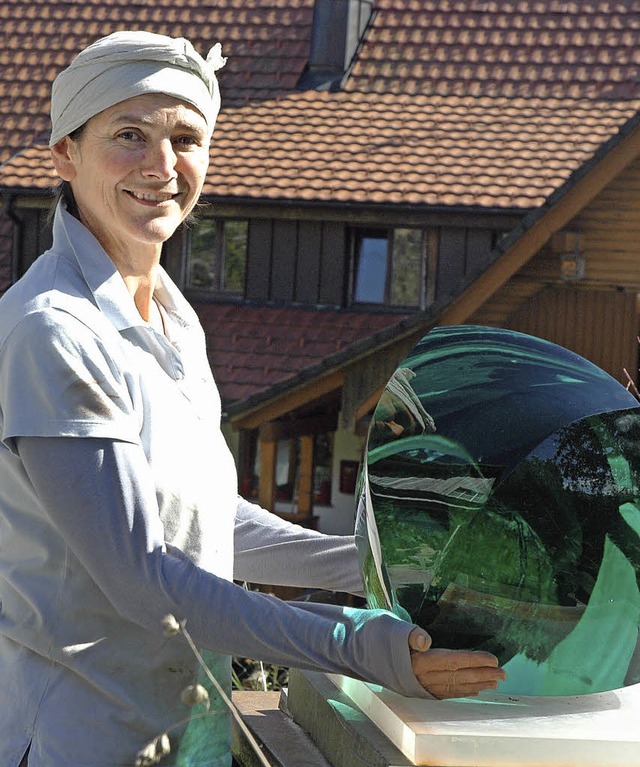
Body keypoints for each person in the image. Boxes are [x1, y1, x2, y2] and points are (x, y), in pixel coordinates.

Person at [0, 31, 505, 767]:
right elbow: (145, 577)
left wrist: (372, 560)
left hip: (189, 738)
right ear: (65, 155)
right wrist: (358, 643)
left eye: (185, 137)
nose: (162, 166)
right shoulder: (52, 330)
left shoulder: (172, 317)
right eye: (129, 135)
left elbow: (205, 526)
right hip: (79, 744)